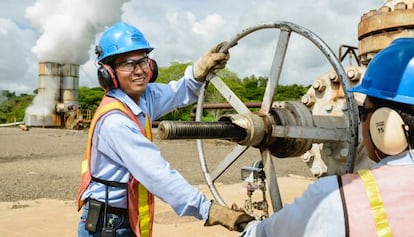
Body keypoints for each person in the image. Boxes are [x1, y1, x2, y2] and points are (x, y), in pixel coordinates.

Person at [76, 22, 253, 237]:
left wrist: (198, 70)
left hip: (124, 218)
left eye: (143, 61)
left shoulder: (143, 98)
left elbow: (177, 92)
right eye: (128, 64)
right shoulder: (116, 122)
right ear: (108, 73)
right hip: (108, 223)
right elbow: (157, 174)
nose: (139, 71)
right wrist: (209, 210)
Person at [241, 37, 414, 236]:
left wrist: (248, 226)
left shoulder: (336, 198)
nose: (361, 122)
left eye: (362, 113)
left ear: (382, 124)